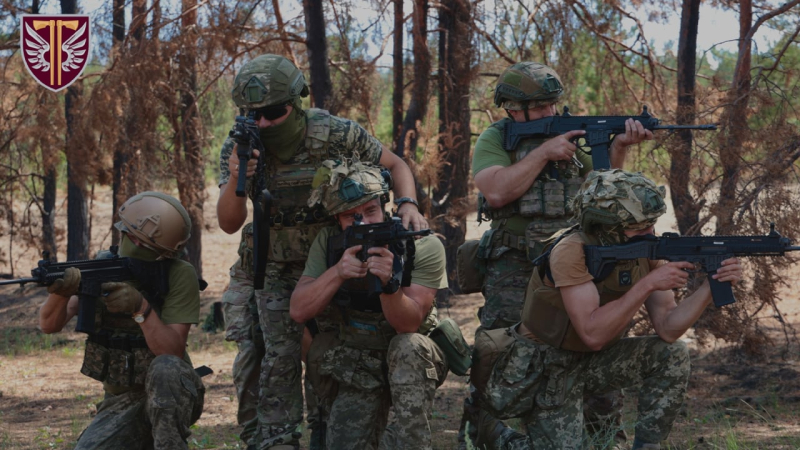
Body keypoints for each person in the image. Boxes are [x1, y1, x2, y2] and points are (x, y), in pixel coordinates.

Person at [216, 54, 427, 450]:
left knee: (327, 353)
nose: (262, 123)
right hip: (272, 265)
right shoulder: (241, 145)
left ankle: (326, 431)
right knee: (277, 354)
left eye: (273, 112)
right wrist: (236, 178)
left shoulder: (335, 133)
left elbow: (396, 164)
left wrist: (408, 205)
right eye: (252, 113)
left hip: (333, 259)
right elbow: (229, 222)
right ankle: (277, 440)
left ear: (296, 103)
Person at [462, 61, 655, 448]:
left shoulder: (571, 134)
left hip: (576, 264)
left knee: (589, 344)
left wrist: (616, 148)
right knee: (500, 350)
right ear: (514, 108)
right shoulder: (496, 139)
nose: (552, 112)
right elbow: (496, 191)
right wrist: (544, 153)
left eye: (554, 103)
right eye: (542, 105)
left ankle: (602, 432)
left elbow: (600, 193)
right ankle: (485, 430)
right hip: (514, 265)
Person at [477, 169, 743, 449]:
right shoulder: (571, 250)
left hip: (594, 361)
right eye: (640, 228)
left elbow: (667, 328)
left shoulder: (646, 251)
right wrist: (647, 285)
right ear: (607, 227)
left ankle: (648, 445)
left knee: (672, 353)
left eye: (651, 225)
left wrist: (709, 289)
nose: (650, 233)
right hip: (545, 365)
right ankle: (500, 438)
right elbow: (592, 333)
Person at [290, 160, 449, 449]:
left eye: (371, 211)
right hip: (359, 362)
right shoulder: (329, 243)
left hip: (410, 361)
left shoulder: (421, 245)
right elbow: (299, 309)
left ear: (385, 205)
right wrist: (337, 272)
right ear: (337, 219)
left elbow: (408, 324)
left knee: (409, 347)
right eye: (351, 216)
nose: (363, 222)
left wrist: (389, 284)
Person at [38, 192, 205, 450]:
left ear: (163, 253)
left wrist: (141, 308)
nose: (131, 243)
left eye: (142, 244)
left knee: (165, 367)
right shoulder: (103, 266)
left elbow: (172, 351)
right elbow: (48, 325)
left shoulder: (179, 274)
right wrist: (61, 292)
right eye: (129, 235)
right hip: (121, 401)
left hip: (173, 394)